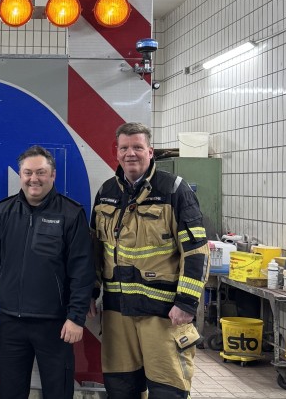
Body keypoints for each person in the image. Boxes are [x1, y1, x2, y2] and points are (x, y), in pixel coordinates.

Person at [91, 122, 209, 398]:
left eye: (137, 147)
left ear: (150, 151)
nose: (130, 153)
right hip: (117, 314)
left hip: (164, 314)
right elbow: (95, 249)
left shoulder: (174, 191)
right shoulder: (107, 192)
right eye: (124, 148)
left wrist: (186, 303)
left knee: (167, 389)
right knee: (120, 390)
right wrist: (90, 291)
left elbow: (196, 251)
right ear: (117, 153)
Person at [0, 145, 95, 399]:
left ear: (53, 175)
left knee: (58, 393)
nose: (33, 178)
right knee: (10, 393)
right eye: (27, 172)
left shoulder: (71, 214)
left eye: (40, 172)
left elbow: (82, 271)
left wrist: (76, 317)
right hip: (11, 325)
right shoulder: (3, 211)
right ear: (20, 175)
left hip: (57, 325)